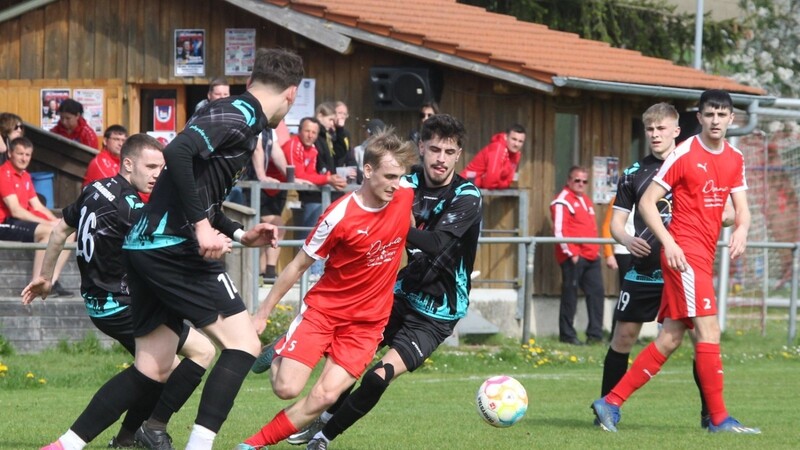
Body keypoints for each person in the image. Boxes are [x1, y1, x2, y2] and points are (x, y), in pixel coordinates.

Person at [37, 49, 303, 450]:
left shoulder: (227, 115)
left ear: (250, 82)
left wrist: (239, 232)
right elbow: (176, 153)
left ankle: (67, 445)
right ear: (292, 95)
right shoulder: (239, 116)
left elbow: (195, 187)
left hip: (144, 248)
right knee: (243, 344)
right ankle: (196, 445)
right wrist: (199, 229)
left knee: (153, 367)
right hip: (173, 247)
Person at [289, 114, 483, 450]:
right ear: (420, 147)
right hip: (399, 293)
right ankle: (318, 416)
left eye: (449, 151)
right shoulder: (405, 182)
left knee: (379, 375)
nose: (440, 158)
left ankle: (323, 436)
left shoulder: (467, 195)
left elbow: (438, 243)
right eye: (434, 148)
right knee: (349, 362)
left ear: (459, 154)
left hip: (438, 311)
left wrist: (394, 227)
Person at [28, 134, 216, 450]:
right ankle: (82, 441)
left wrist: (45, 278)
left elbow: (61, 228)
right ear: (128, 164)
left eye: (162, 167)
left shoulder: (95, 188)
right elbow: (162, 252)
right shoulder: (129, 207)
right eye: (152, 166)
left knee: (162, 367)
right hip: (122, 303)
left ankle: (129, 437)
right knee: (197, 353)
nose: (159, 174)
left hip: (102, 301)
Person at [237, 128, 418, 450]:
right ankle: (282, 347)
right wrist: (261, 315)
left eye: (400, 177)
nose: (396, 184)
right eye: (389, 176)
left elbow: (411, 221)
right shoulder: (339, 216)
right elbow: (296, 265)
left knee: (326, 395)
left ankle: (252, 445)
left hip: (367, 323)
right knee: (286, 388)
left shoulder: (404, 195)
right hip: (325, 312)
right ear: (368, 170)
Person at [592, 90, 760, 434]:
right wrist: (669, 243)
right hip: (685, 254)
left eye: (722, 115)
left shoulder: (736, 159)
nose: (715, 121)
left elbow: (741, 210)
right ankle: (719, 419)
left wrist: (742, 228)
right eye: (709, 114)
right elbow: (648, 203)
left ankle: (610, 403)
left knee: (670, 338)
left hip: (704, 254)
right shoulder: (683, 154)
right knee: (708, 330)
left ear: (731, 119)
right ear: (698, 118)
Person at [0, 137, 73, 297]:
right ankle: (37, 283)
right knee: (47, 232)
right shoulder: (3, 174)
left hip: (18, 220)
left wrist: (56, 221)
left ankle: (51, 282)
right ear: (10, 154)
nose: (24, 158)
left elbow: (38, 206)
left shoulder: (25, 175)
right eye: (20, 154)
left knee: (68, 231)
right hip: (4, 222)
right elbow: (16, 211)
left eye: (27, 154)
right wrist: (48, 224)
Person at [550, 166, 604, 345]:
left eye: (584, 181)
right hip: (574, 256)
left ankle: (595, 335)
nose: (581, 184)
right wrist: (571, 252)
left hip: (591, 255)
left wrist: (596, 251)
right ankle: (567, 335)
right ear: (569, 181)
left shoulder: (586, 200)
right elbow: (559, 230)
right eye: (577, 180)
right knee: (570, 296)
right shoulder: (562, 200)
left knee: (596, 294)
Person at [246, 126, 290, 282]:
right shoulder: (254, 121)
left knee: (268, 229)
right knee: (267, 227)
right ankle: (264, 273)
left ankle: (265, 272)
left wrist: (292, 177)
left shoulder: (269, 128)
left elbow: (276, 151)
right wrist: (261, 175)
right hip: (244, 184)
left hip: (256, 186)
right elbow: (256, 148)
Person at [459, 124, 525, 189]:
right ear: (506, 137)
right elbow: (490, 182)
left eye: (520, 141)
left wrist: (499, 183)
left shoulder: (516, 154)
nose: (516, 144)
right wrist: (500, 183)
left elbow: (509, 180)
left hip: (479, 187)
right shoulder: (498, 148)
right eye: (514, 139)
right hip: (466, 183)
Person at [600, 195, 633, 291]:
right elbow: (607, 226)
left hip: (644, 250)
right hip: (624, 251)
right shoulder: (619, 198)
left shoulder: (647, 196)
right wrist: (609, 254)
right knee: (626, 288)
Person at [346, 118, 386, 184]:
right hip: (361, 186)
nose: (375, 138)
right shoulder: (357, 151)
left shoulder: (387, 152)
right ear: (367, 133)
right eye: (373, 134)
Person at [332, 101, 351, 167]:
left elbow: (349, 154)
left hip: (342, 169)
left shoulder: (346, 133)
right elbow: (336, 153)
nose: (342, 116)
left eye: (344, 114)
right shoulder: (329, 131)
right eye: (340, 113)